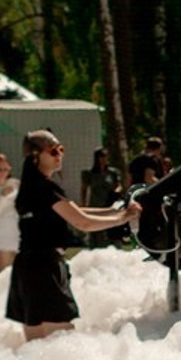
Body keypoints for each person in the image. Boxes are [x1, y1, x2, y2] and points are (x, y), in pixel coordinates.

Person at [6, 129, 141, 341]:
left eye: (61, 149)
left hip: (25, 269)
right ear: (35, 155)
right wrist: (123, 217)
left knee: (35, 351)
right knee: (62, 345)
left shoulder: (30, 188)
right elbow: (82, 222)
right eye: (53, 150)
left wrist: (115, 211)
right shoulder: (45, 188)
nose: (59, 154)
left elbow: (75, 211)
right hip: (44, 267)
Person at [0, 152, 18, 270]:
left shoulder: (15, 184)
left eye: (5, 169)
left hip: (19, 236)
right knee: (4, 272)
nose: (3, 172)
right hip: (3, 238)